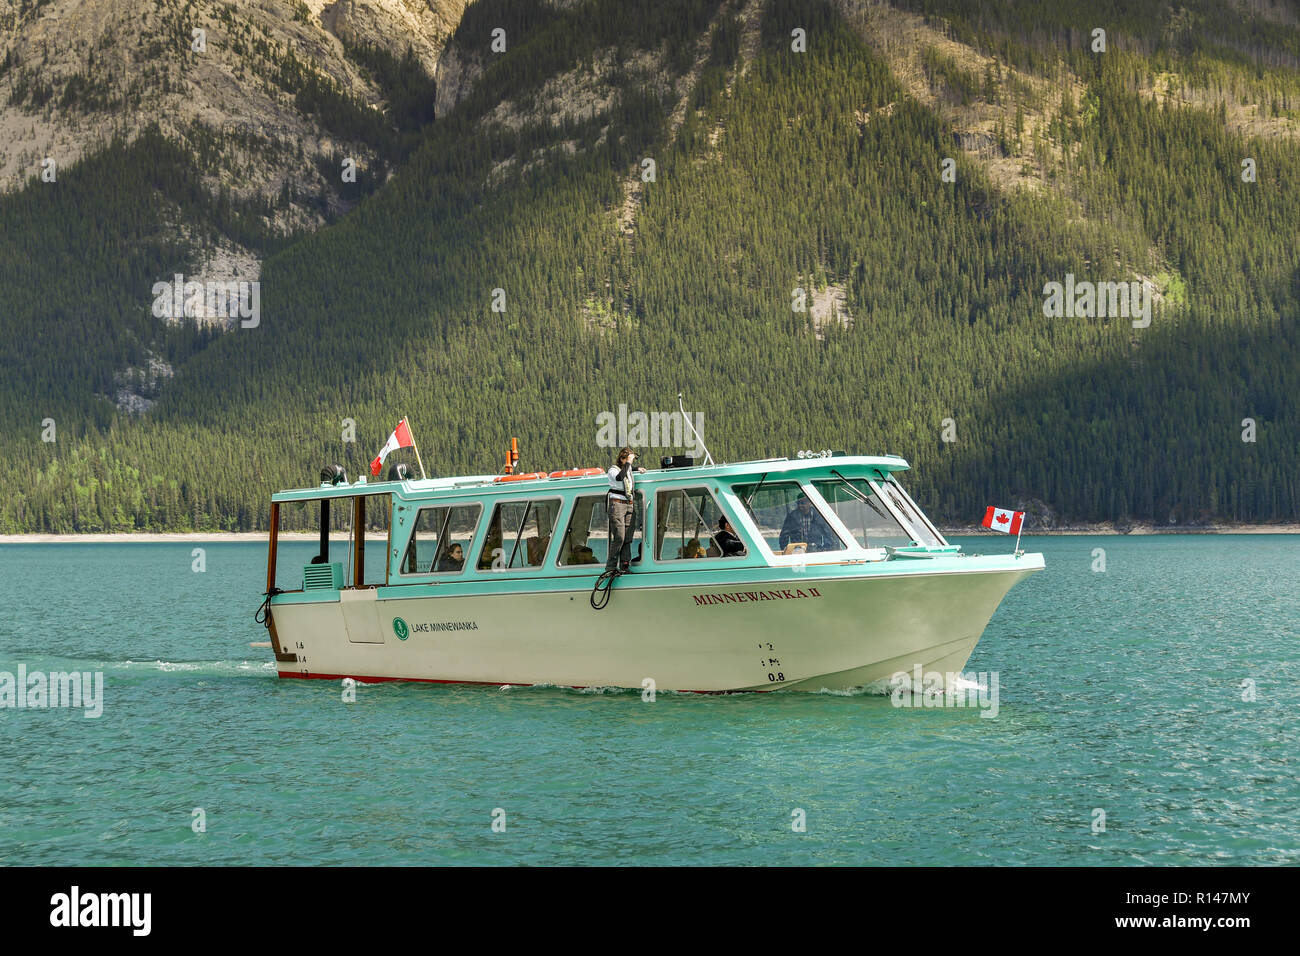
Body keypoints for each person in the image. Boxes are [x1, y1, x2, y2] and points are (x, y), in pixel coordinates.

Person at [606, 446, 645, 573]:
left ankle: (624, 565)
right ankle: (611, 567)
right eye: (629, 459)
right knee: (619, 537)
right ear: (623, 458)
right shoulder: (613, 470)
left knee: (628, 537)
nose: (631, 462)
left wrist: (636, 468)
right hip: (617, 504)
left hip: (629, 503)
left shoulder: (627, 468)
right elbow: (619, 477)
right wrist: (628, 463)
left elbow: (627, 471)